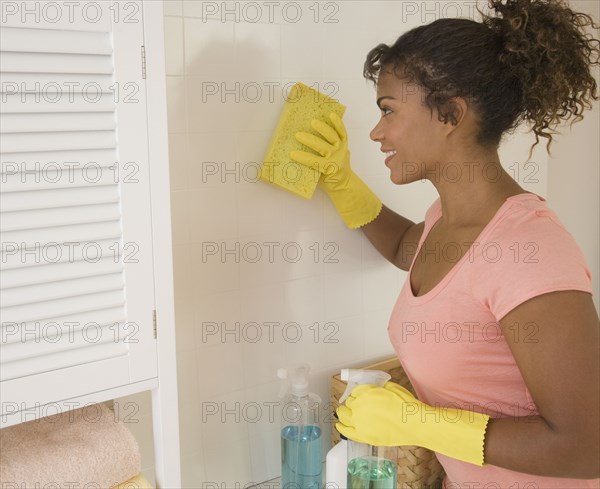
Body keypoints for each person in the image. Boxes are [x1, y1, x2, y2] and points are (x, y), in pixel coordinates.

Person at [289, 0, 600, 486]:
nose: (376, 132)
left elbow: (586, 447)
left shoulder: (531, 251)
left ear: (451, 114)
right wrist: (340, 180)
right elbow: (405, 249)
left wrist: (418, 423)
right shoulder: (447, 220)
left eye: (388, 110)